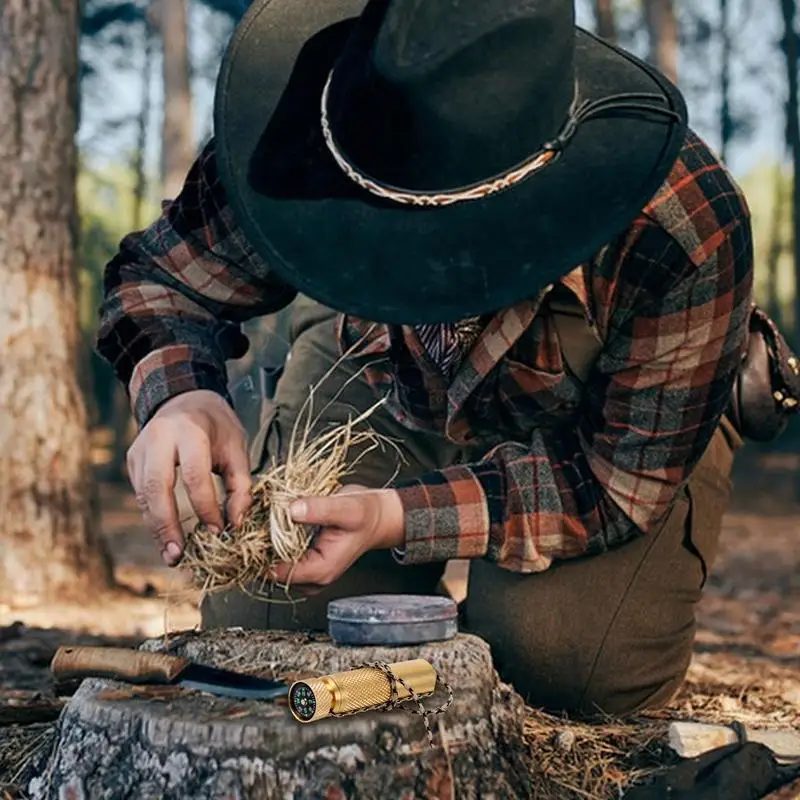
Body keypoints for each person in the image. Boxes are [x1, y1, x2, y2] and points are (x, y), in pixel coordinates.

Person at [97, 0, 754, 717]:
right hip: (378, 369)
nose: (419, 270)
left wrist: (395, 518)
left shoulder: (680, 225)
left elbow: (615, 486)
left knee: (562, 665)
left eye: (440, 242)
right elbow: (158, 280)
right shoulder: (305, 125)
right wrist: (179, 395)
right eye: (381, 229)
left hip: (597, 425)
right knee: (269, 619)